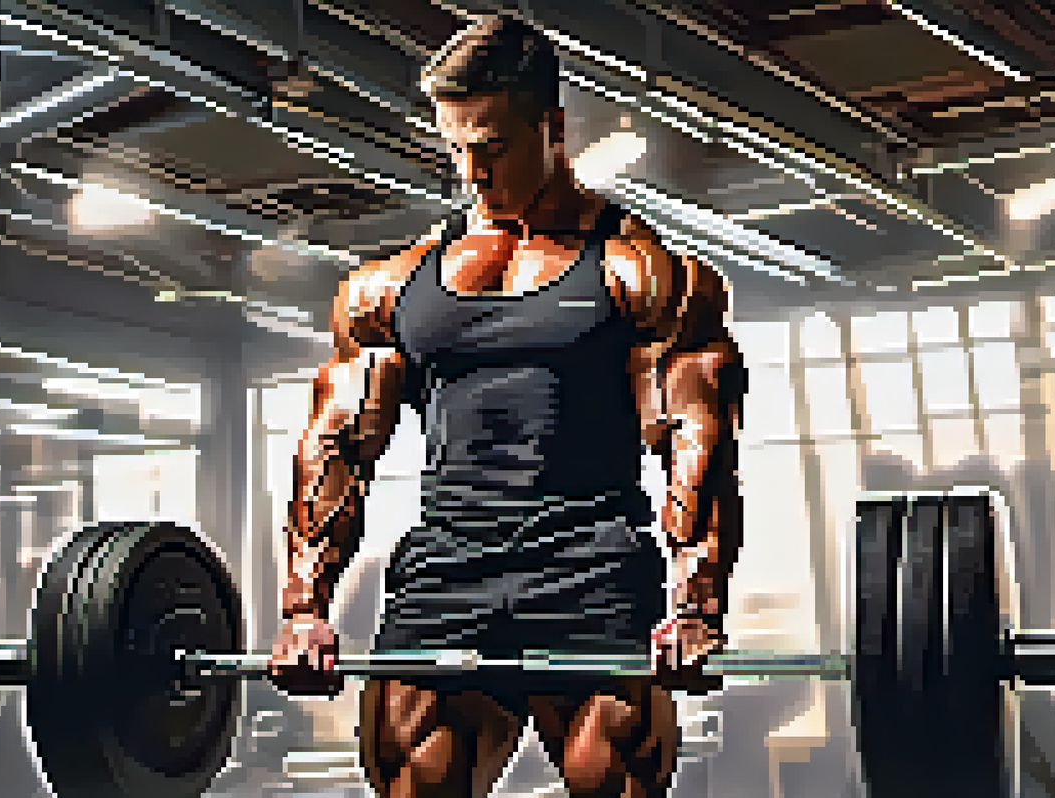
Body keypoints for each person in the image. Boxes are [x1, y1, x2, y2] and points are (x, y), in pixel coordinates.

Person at [268, 11, 746, 798]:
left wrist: (696, 600)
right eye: (455, 147)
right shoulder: (390, 289)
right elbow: (341, 447)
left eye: (489, 147)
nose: (469, 171)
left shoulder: (638, 272)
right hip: (448, 564)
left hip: (588, 561)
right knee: (411, 776)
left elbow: (695, 436)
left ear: (552, 128)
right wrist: (304, 607)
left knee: (612, 775)